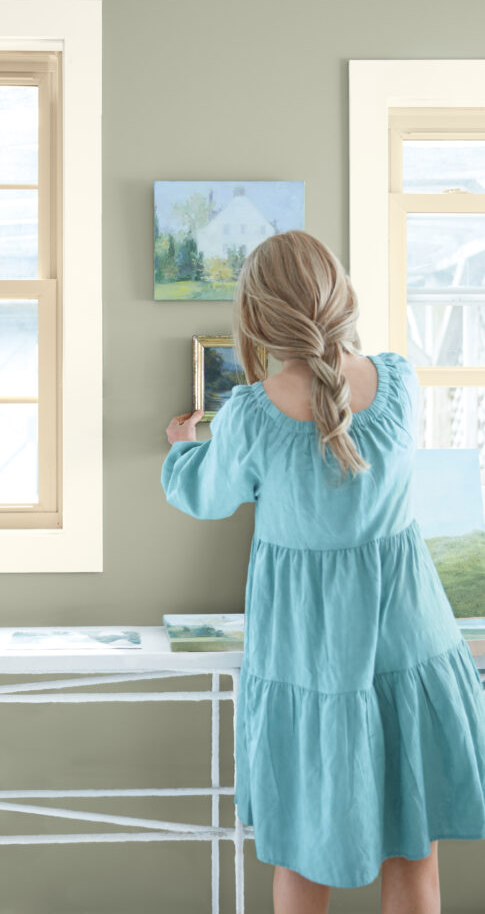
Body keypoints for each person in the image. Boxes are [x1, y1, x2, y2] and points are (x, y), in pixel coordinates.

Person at [160, 230, 485, 913]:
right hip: (409, 638)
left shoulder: (250, 412)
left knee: (301, 853)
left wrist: (182, 448)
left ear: (254, 316)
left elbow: (208, 495)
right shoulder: (397, 381)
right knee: (413, 849)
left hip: (309, 652)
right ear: (340, 297)